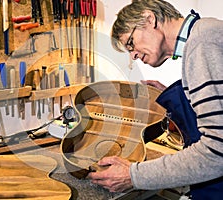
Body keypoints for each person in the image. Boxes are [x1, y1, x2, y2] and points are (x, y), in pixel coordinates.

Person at [87, 0, 223, 199]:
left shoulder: (203, 42)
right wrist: (183, 96)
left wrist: (133, 175)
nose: (133, 55)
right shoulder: (204, 36)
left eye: (130, 43)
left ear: (149, 19)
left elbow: (217, 151)